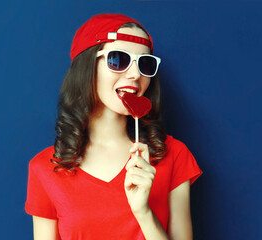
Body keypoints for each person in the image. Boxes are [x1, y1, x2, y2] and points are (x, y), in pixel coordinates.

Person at [25, 13, 202, 240]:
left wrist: (143, 212)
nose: (136, 74)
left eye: (144, 64)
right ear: (87, 67)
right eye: (119, 59)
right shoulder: (45, 168)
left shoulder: (174, 155)